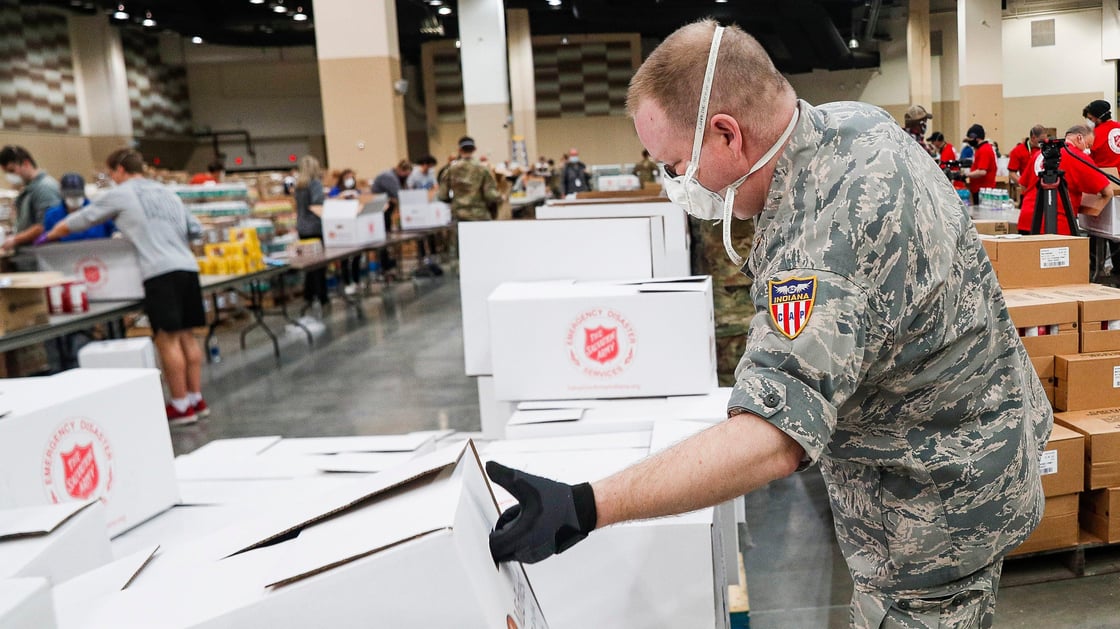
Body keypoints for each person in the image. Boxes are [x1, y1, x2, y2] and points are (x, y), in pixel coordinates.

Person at [485, 20, 1049, 629]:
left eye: (677, 164)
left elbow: (772, 439)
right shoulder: (853, 125)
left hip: (929, 516)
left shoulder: (823, 243)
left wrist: (585, 504)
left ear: (728, 133)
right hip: (976, 452)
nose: (681, 185)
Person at [39, 149, 209, 425]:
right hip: (187, 268)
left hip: (159, 271)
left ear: (119, 169)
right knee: (187, 336)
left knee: (167, 339)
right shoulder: (167, 193)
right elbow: (195, 229)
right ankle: (196, 399)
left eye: (111, 173)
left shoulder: (122, 193)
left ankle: (179, 405)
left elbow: (83, 218)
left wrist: (49, 236)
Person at [1017, 125, 1115, 235]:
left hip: (1028, 220)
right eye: (1088, 145)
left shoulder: (1040, 154)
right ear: (1079, 138)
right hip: (1057, 224)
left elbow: (1023, 185)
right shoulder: (1077, 156)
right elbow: (1107, 191)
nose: (1088, 150)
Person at [1, 145, 61, 269]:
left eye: (12, 171)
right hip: (29, 257)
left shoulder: (44, 188)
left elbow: (45, 225)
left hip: (40, 258)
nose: (10, 176)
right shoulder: (29, 189)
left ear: (26, 163)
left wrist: (15, 239)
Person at [293, 155, 329, 312]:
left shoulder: (299, 186)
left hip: (302, 227)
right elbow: (317, 202)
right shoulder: (315, 184)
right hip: (315, 226)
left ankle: (309, 294)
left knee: (308, 263)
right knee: (319, 263)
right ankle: (322, 295)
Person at [436, 136, 501, 222]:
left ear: (459, 149)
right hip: (480, 216)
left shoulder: (451, 169)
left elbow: (442, 195)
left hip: (458, 215)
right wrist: (501, 197)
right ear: (474, 149)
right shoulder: (483, 169)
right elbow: (490, 195)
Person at [42, 173, 115, 241]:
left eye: (77, 194)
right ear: (63, 194)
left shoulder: (99, 210)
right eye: (71, 195)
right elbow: (49, 241)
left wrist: (116, 234)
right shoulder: (52, 216)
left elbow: (114, 229)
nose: (74, 198)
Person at [372, 160, 413, 278]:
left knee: (387, 238)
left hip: (386, 211)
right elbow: (398, 195)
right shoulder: (388, 177)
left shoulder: (396, 176)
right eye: (405, 173)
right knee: (383, 239)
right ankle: (384, 267)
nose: (406, 176)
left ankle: (388, 265)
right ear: (400, 169)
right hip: (380, 212)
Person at [327, 168, 364, 295]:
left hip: (355, 226)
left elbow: (363, 202)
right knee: (344, 258)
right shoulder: (335, 191)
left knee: (357, 256)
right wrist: (340, 197)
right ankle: (347, 282)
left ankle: (357, 280)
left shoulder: (357, 191)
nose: (350, 180)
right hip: (342, 227)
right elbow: (329, 203)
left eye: (352, 177)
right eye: (347, 177)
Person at [964, 123, 997, 205]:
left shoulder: (984, 150)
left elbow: (982, 171)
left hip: (983, 191)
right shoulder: (980, 149)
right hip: (978, 189)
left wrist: (966, 175)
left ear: (976, 138)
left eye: (970, 138)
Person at [1007, 125, 1048, 189]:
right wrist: (1023, 184)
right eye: (1041, 140)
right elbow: (1012, 173)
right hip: (1029, 188)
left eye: (1045, 139)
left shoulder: (1046, 149)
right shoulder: (1018, 151)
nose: (1044, 142)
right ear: (1033, 138)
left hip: (1045, 186)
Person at [1083, 99, 1120, 168]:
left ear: (1099, 117)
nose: (1090, 122)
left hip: (1106, 174)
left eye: (1090, 119)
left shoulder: (1094, 134)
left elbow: (1089, 159)